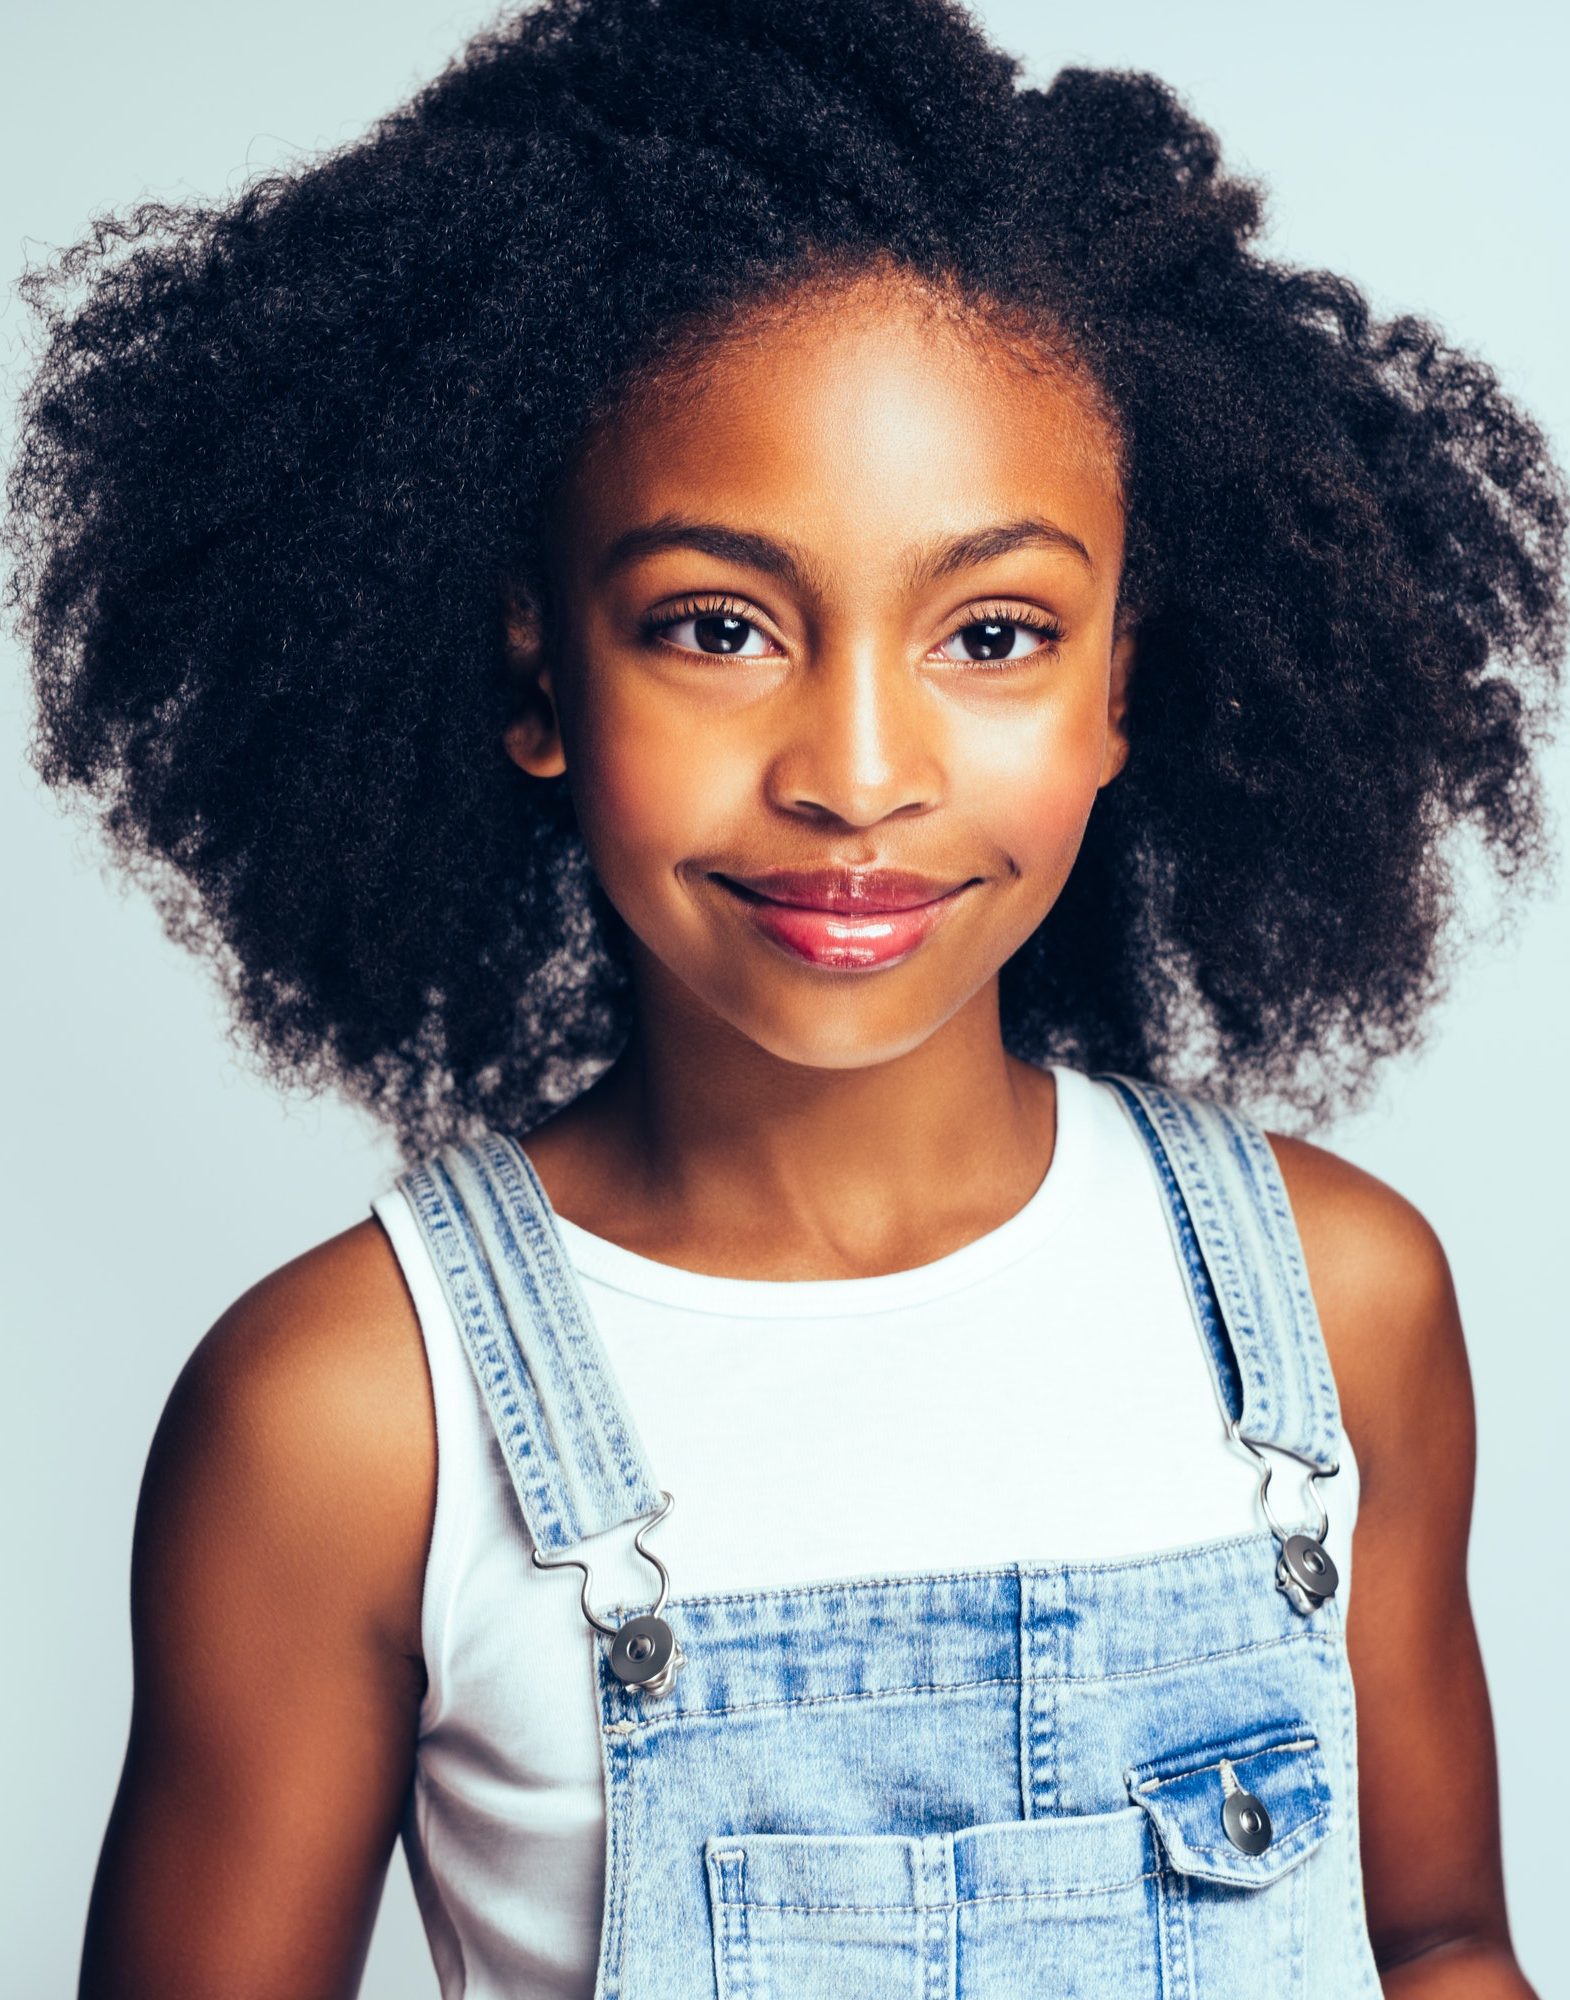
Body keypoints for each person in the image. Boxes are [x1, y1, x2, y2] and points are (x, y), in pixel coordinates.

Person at [5, 1, 1563, 1995]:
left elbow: (1432, 1934)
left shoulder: (1334, 1306)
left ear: (1119, 686)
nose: (850, 767)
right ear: (535, 675)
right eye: (714, 625)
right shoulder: (347, 1418)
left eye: (990, 630)